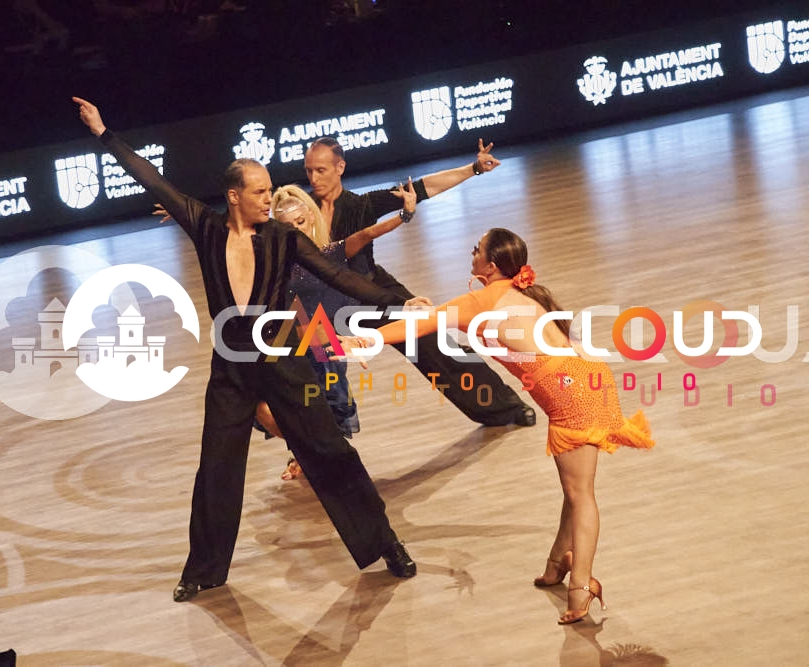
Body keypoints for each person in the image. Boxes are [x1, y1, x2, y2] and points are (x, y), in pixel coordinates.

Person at [71, 97, 420, 603]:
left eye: (269, 189)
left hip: (283, 359)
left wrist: (398, 302)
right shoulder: (206, 227)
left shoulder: (283, 238)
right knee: (217, 466)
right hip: (231, 368)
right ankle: (204, 570)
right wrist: (104, 134)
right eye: (259, 191)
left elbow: (339, 275)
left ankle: (385, 544)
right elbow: (153, 180)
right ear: (234, 196)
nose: (269, 198)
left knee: (329, 451)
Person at [339, 228, 656, 624]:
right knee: (575, 489)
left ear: (489, 266)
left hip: (570, 392)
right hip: (587, 378)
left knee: (581, 494)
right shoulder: (524, 293)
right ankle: (558, 563)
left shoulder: (482, 300)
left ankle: (581, 585)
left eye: (477, 250)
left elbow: (419, 325)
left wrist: (363, 341)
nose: (471, 253)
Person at [305, 137, 537, 428]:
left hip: (373, 291)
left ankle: (504, 407)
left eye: (321, 170)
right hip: (327, 302)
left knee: (436, 344)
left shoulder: (361, 205)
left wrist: (474, 168)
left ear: (340, 168)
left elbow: (424, 188)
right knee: (316, 370)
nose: (313, 178)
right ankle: (314, 443)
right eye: (309, 171)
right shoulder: (301, 209)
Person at [254, 181, 420, 480]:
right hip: (290, 339)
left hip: (324, 340)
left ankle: (317, 459)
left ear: (311, 216)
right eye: (288, 227)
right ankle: (307, 453)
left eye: (301, 222)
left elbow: (368, 233)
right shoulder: (273, 262)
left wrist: (405, 215)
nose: (297, 230)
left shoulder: (328, 254)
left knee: (326, 403)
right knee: (282, 405)